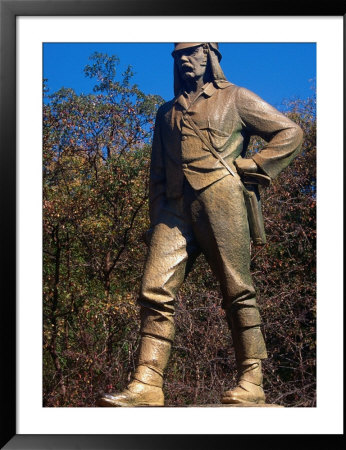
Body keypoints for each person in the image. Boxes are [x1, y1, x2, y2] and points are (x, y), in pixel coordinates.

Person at [97, 43, 303, 407]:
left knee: (237, 289)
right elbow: (157, 176)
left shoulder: (236, 97)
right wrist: (156, 218)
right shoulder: (166, 114)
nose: (185, 60)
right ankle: (147, 381)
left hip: (221, 199)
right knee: (153, 289)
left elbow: (290, 133)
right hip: (173, 210)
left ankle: (252, 379)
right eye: (179, 55)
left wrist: (254, 166)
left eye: (192, 52)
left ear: (210, 55)